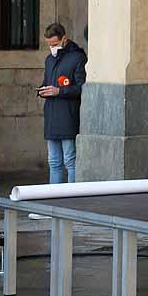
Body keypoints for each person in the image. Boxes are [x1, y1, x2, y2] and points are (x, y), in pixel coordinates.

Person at [37, 23, 88, 184]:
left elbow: (82, 87)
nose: (52, 48)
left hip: (68, 114)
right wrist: (42, 90)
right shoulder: (49, 60)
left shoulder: (78, 57)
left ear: (64, 39)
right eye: (49, 45)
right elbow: (47, 81)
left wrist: (59, 91)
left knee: (70, 159)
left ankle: (71, 197)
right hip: (52, 114)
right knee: (53, 161)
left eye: (54, 44)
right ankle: (54, 197)